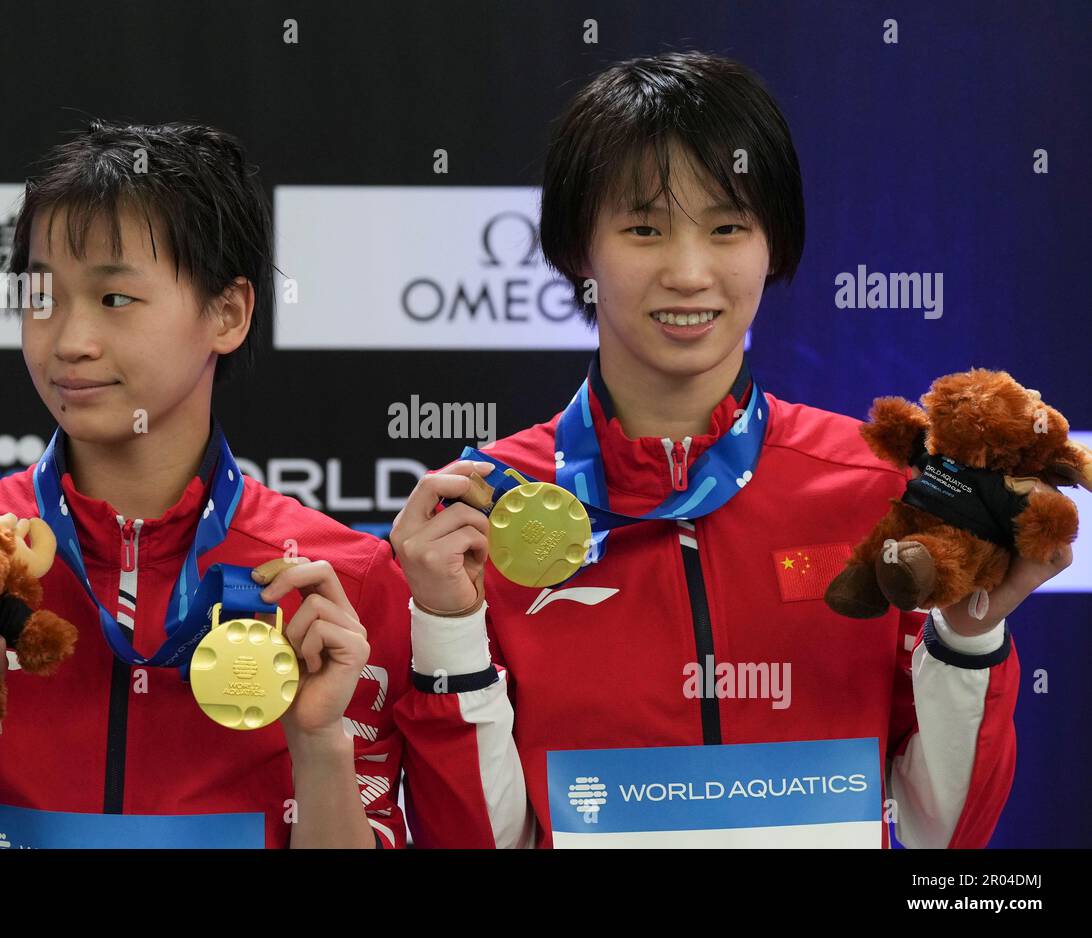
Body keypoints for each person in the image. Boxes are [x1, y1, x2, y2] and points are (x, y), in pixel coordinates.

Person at [391, 52, 1069, 848]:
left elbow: (941, 840)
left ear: (773, 245)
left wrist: (970, 632)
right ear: (579, 249)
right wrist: (447, 630)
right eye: (643, 227)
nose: (688, 272)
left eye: (727, 228)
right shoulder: (489, 511)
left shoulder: (883, 492)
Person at [0, 121, 410, 849]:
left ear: (227, 313)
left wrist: (319, 747)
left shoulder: (339, 582)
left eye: (114, 299)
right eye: (41, 297)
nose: (68, 340)